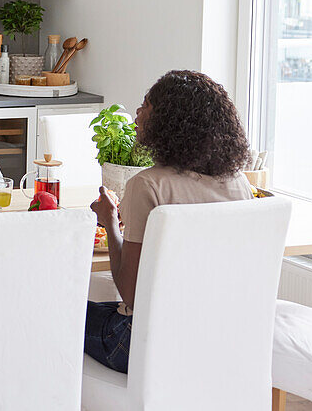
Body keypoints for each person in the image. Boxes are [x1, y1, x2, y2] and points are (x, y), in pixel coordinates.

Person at [85, 70, 254, 373]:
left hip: (143, 345)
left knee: (55, 307)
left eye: (147, 105)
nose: (137, 111)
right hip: (217, 340)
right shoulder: (238, 183)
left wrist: (110, 222)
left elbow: (131, 294)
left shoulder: (148, 185)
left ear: (169, 121)